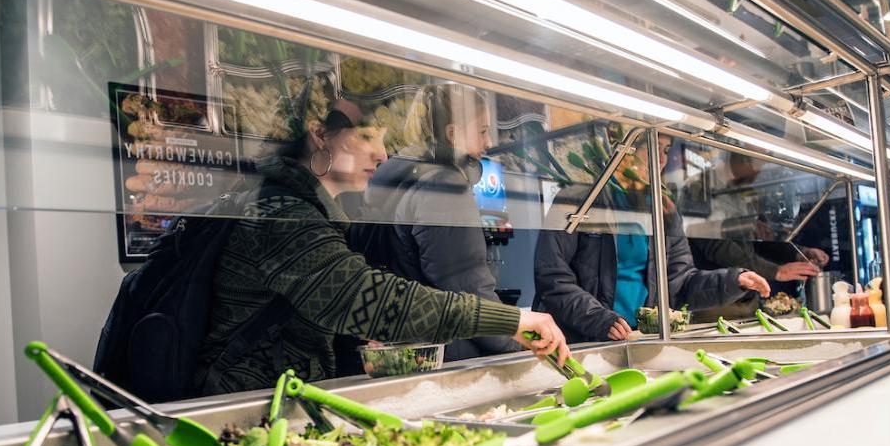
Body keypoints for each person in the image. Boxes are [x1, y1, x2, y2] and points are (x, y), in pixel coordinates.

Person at [193, 90, 568, 395]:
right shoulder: (280, 214)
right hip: (243, 399)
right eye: (366, 137)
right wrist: (510, 319)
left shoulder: (317, 210)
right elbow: (364, 298)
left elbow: (330, 302)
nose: (383, 154)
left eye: (384, 140)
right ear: (319, 135)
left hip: (287, 393)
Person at [534, 132, 771, 343]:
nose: (661, 159)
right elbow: (552, 277)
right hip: (581, 341)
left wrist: (733, 281)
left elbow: (681, 284)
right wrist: (597, 319)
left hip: (639, 338)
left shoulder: (662, 210)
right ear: (623, 149)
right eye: (652, 147)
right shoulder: (577, 200)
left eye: (666, 150)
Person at [352, 83, 519, 361]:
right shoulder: (444, 186)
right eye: (482, 131)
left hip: (406, 349)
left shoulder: (405, 176)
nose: (489, 142)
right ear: (453, 134)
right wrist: (515, 343)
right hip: (444, 350)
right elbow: (467, 289)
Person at [686, 153, 828, 286]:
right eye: (760, 165)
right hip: (713, 292)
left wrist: (798, 253)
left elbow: (758, 243)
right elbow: (718, 247)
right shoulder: (701, 187)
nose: (761, 172)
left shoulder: (740, 192)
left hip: (744, 295)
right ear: (744, 161)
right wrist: (776, 271)